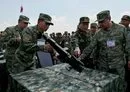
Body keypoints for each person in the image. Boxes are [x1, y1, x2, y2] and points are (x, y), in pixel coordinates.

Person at [78, 10, 129, 92]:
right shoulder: (98, 34)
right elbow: (90, 47)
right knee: (106, 88)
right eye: (99, 22)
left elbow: (128, 45)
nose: (100, 24)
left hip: (118, 65)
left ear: (109, 18)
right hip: (104, 67)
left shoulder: (121, 29)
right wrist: (80, 58)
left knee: (120, 87)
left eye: (102, 21)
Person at [120, 15, 130, 92]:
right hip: (119, 57)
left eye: (125, 20)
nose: (123, 21)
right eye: (122, 19)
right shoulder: (118, 30)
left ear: (128, 22)